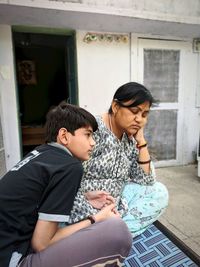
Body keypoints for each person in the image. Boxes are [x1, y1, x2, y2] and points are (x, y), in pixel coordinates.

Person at [0, 102, 132, 267]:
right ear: (64, 136)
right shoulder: (70, 166)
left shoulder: (40, 153)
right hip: (11, 260)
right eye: (88, 135)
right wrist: (98, 218)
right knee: (117, 230)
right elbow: (41, 244)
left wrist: (85, 198)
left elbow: (35, 197)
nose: (93, 143)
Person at [70, 82, 169, 236]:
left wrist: (141, 142)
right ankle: (105, 234)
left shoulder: (128, 137)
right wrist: (89, 201)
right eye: (134, 111)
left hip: (115, 202)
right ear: (115, 107)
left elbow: (146, 180)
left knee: (159, 192)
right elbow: (69, 177)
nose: (139, 120)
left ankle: (116, 233)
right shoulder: (93, 130)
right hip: (86, 204)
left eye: (144, 115)